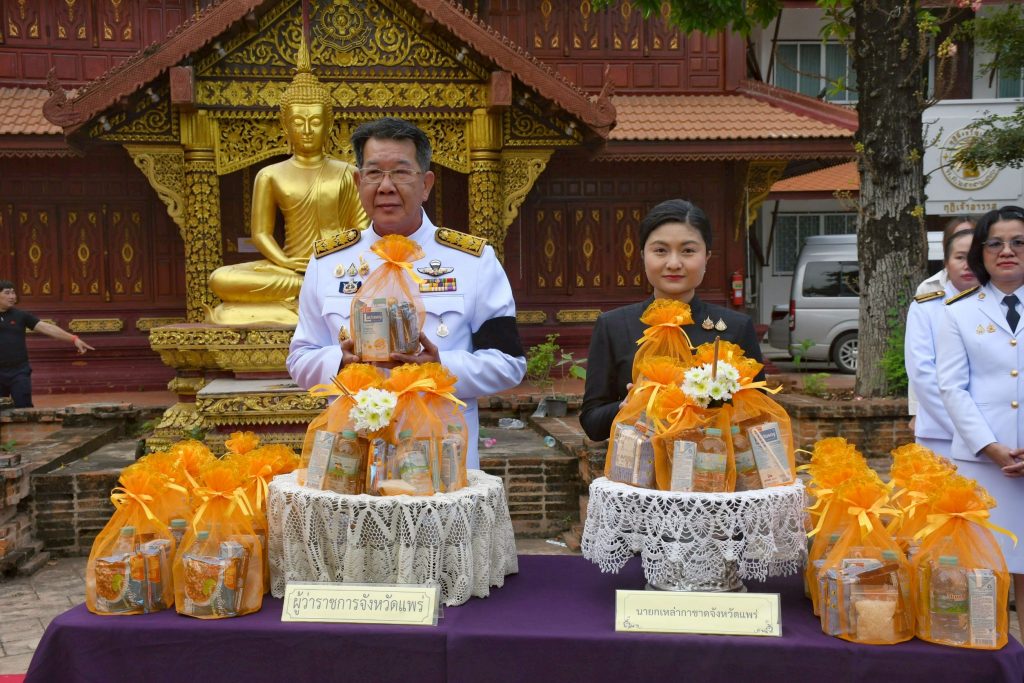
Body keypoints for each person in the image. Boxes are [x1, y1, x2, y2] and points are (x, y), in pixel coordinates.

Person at [286, 117, 526, 469]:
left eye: (400, 172)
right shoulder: (327, 262)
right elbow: (300, 358)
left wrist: (439, 367)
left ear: (426, 184)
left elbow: (509, 363)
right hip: (352, 454)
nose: (385, 186)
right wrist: (340, 362)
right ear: (357, 182)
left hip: (440, 455)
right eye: (373, 173)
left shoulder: (472, 262)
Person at [206, 39, 369, 325]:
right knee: (221, 279)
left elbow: (363, 230)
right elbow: (261, 234)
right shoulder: (270, 175)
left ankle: (298, 303)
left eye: (316, 122)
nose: (307, 130)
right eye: (298, 122)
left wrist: (330, 258)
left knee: (366, 275)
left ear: (328, 125)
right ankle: (309, 299)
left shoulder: (347, 172)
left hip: (339, 267)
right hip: (290, 270)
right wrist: (284, 262)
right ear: (286, 125)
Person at [579, 199, 764, 442]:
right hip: (637, 476)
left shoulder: (736, 327)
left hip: (713, 472)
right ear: (643, 255)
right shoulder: (613, 326)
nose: (674, 263)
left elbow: (760, 420)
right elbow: (593, 425)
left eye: (688, 250)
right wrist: (627, 406)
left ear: (707, 256)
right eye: (660, 250)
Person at [936, 205, 1024, 635]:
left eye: (1018, 242)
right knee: (982, 574)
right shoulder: (958, 311)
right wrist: (990, 447)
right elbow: (952, 388)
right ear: (981, 253)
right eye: (996, 243)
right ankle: (991, 663)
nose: (1007, 251)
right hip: (984, 466)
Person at [904, 221, 977, 455]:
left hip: (997, 429)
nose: (968, 264)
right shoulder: (927, 301)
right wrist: (971, 431)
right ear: (946, 258)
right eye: (960, 255)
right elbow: (921, 371)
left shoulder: (1003, 302)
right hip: (941, 429)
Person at [0, 280, 94, 408]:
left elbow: (47, 328)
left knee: (24, 407)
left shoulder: (20, 315)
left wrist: (73, 339)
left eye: (13, 292)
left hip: (18, 371)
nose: (12, 296)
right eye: (7, 293)